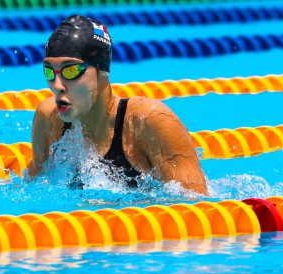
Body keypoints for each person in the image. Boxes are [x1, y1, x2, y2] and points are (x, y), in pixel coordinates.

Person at [27, 14, 209, 195]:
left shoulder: (149, 122)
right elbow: (32, 188)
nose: (57, 86)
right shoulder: (49, 119)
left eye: (71, 70)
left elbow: (194, 208)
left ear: (102, 71)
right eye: (49, 71)